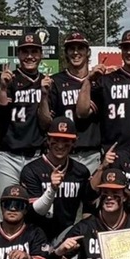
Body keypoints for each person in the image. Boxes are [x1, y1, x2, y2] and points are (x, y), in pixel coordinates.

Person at [76, 29, 130, 151]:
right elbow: (82, 112)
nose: (129, 52)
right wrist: (87, 81)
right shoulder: (106, 80)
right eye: (125, 48)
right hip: (114, 153)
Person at [19, 116, 93, 241]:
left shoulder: (80, 171)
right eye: (56, 140)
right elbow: (35, 212)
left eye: (66, 140)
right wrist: (52, 189)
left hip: (65, 235)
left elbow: (88, 207)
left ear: (74, 142)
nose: (60, 145)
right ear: (48, 140)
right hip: (33, 236)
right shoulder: (31, 170)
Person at [0, 29, 48, 198]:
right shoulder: (9, 80)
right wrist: (3, 88)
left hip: (36, 155)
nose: (29, 56)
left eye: (34, 51)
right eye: (25, 51)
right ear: (18, 54)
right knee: (8, 205)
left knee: (36, 209)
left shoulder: (46, 82)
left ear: (41, 54)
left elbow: (47, 123)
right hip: (8, 155)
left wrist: (45, 95)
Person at [39, 30, 102, 172]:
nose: (75, 52)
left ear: (88, 52)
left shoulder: (98, 82)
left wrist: (89, 81)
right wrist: (43, 97)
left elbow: (83, 113)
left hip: (90, 154)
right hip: (61, 154)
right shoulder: (56, 81)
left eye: (80, 48)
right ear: (66, 53)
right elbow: (45, 123)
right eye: (71, 49)